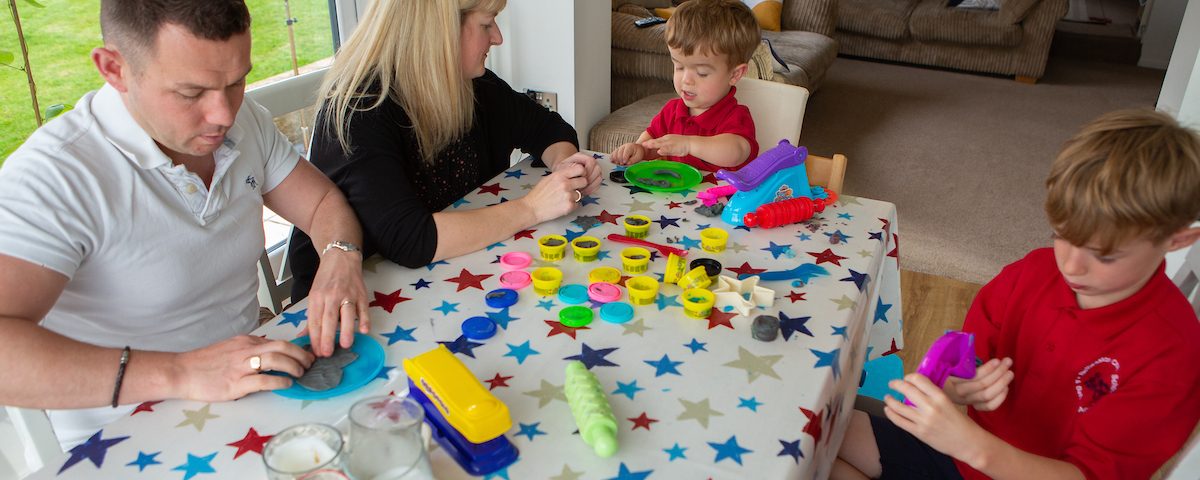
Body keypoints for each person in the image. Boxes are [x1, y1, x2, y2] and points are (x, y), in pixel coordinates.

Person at [0, 0, 371, 448]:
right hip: (124, 435)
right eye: (191, 93)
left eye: (236, 82)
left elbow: (322, 205)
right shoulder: (55, 177)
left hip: (250, 391)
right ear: (114, 68)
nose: (224, 115)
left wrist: (340, 256)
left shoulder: (245, 122)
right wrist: (182, 372)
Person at [832, 108, 1200, 479]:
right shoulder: (1033, 273)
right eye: (1061, 235)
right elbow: (968, 358)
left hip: (992, 458)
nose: (1070, 266)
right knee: (819, 437)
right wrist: (961, 387)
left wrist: (970, 445)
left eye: (1105, 255)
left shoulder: (1171, 355)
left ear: (1177, 240)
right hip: (962, 455)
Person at [287, 0, 603, 299]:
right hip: (356, 304)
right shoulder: (362, 110)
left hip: (448, 280)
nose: (498, 37)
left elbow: (548, 128)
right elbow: (411, 239)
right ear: (442, 30)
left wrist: (565, 169)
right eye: (487, 24)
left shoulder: (472, 86)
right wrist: (533, 208)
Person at [610, 0, 761, 172]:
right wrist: (639, 150)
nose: (686, 80)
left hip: (724, 198)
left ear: (735, 74)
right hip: (674, 196)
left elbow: (737, 152)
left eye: (702, 73)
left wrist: (689, 144)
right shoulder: (672, 111)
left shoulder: (736, 116)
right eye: (679, 66)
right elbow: (653, 144)